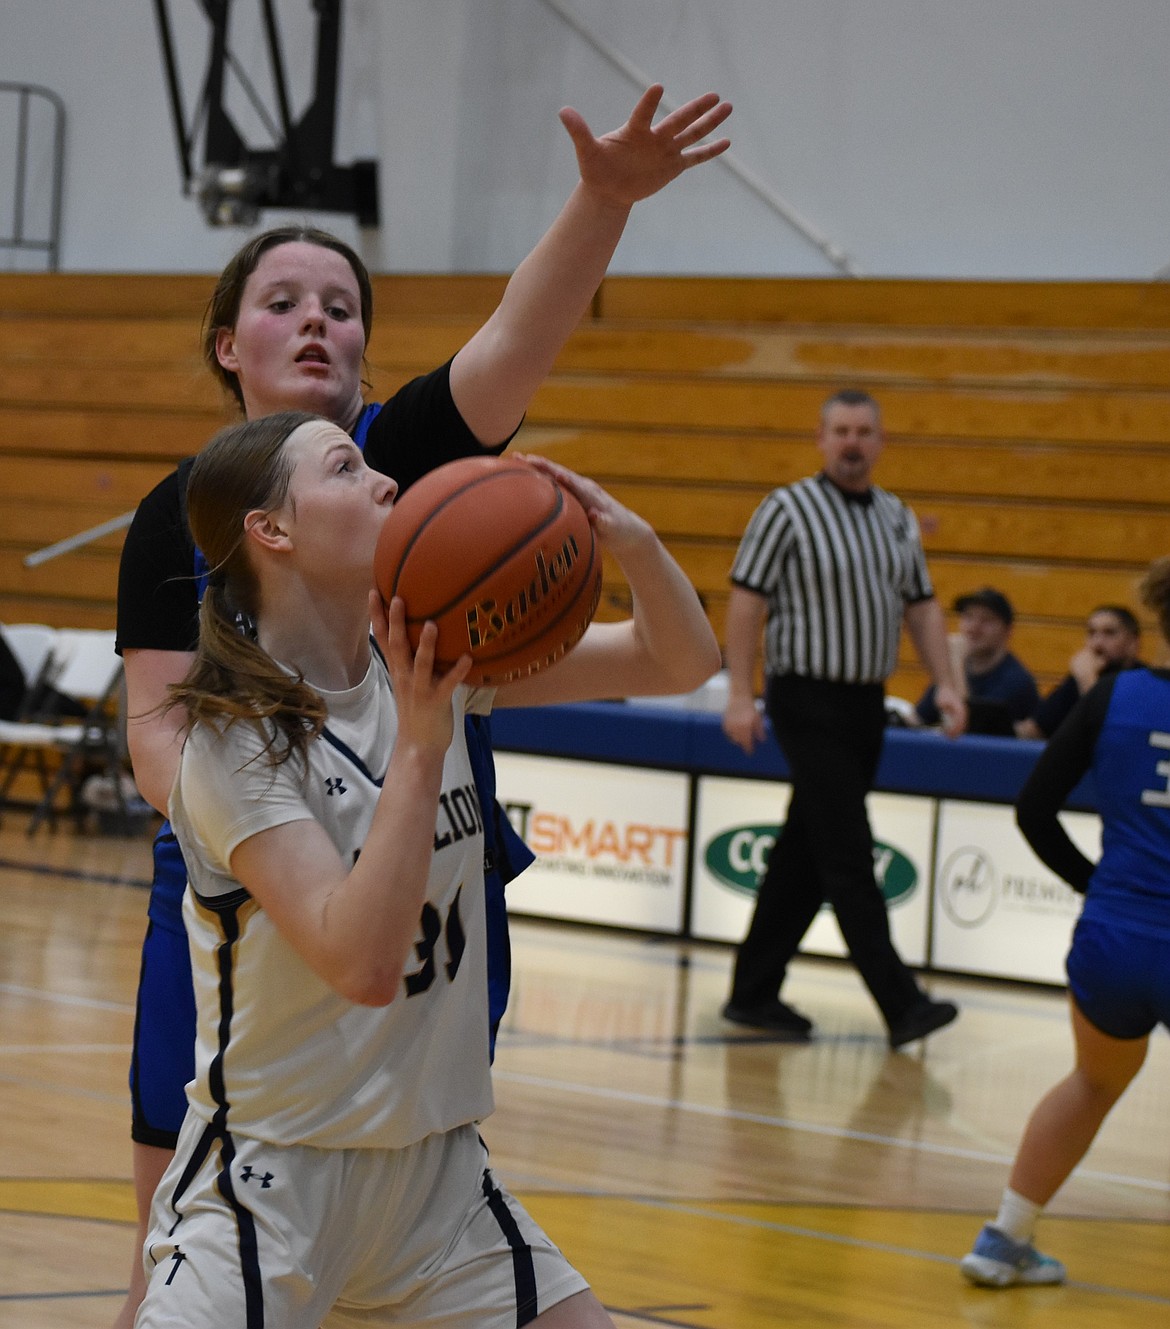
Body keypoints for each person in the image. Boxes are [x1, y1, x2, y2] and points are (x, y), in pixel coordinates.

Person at [113, 82, 732, 1329]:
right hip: (259, 930)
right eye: (282, 303)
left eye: (343, 307)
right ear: (228, 344)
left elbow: (522, 335)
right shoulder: (185, 553)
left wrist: (602, 201)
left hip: (430, 1140)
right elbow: (163, 729)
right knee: (165, 1229)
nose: (317, 323)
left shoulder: (413, 501)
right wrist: (252, 805)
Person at [133, 411, 720, 1326]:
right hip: (273, 1181)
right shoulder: (232, 743)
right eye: (346, 467)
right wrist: (422, 739)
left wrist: (630, 543)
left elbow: (676, 659)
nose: (385, 482)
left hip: (436, 1179)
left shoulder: (425, 660)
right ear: (271, 530)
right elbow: (361, 963)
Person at [719, 388, 966, 1048]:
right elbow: (746, 600)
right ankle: (901, 1002)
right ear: (821, 439)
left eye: (864, 431)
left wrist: (948, 683)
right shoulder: (787, 508)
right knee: (849, 853)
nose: (853, 441)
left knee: (806, 848)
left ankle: (753, 992)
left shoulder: (895, 516)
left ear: (881, 441)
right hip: (805, 697)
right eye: (841, 430)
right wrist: (740, 693)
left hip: (865, 704)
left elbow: (922, 605)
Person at [960, 557, 1170, 1287]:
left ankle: (1004, 1239)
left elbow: (1032, 807)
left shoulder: (1114, 694)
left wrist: (1099, 886)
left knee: (1091, 1082)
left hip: (1112, 937)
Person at [915, 587, 1039, 734]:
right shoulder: (955, 671)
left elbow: (969, 730)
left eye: (986, 620)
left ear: (1008, 631)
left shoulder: (1016, 681)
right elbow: (919, 719)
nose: (973, 627)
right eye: (968, 617)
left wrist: (955, 660)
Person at [1017, 604, 1143, 739]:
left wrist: (1087, 679)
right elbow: (1035, 729)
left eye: (1109, 633)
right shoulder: (1080, 678)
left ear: (1133, 643)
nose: (1097, 643)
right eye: (1092, 633)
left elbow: (1113, 734)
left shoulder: (1143, 682)